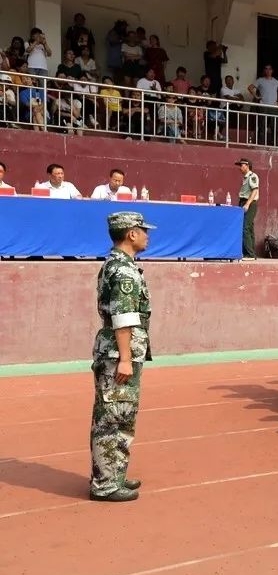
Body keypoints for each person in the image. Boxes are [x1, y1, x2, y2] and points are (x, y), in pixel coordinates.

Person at [89, 211, 155, 502]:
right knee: (112, 417)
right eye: (143, 230)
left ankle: (113, 474)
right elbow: (123, 316)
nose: (147, 235)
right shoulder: (124, 270)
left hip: (120, 350)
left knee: (122, 415)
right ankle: (104, 484)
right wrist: (125, 358)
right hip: (119, 353)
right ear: (131, 234)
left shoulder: (119, 265)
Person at [233, 159, 260, 258]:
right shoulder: (245, 178)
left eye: (241, 165)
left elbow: (254, 191)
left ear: (247, 165)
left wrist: (247, 204)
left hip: (250, 203)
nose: (240, 168)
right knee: (249, 228)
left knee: (246, 228)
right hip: (243, 202)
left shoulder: (252, 176)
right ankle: (250, 252)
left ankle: (249, 254)